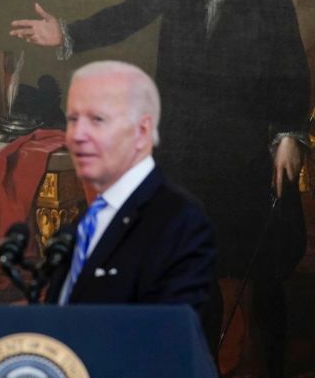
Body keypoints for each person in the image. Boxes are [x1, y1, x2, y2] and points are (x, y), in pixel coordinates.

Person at [11, 0, 308, 374]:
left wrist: (288, 134)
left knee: (261, 272)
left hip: (245, 157)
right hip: (187, 153)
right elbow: (125, 16)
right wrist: (66, 33)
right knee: (193, 271)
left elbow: (291, 69)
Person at [51, 61, 215, 318]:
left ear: (142, 131)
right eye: (72, 119)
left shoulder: (179, 222)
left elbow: (171, 342)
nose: (77, 135)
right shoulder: (78, 228)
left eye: (97, 119)